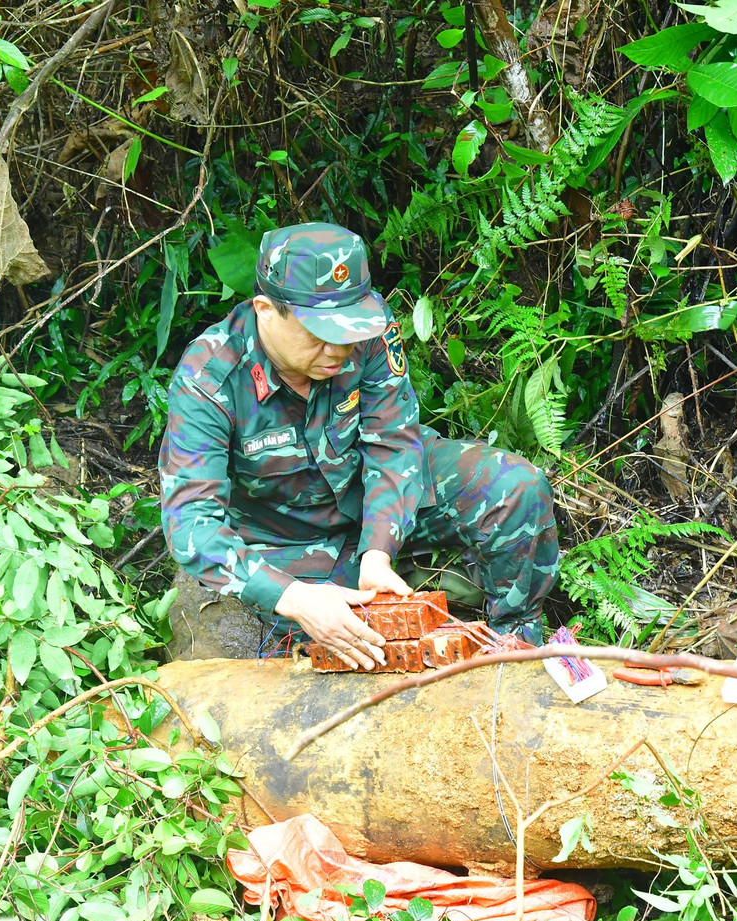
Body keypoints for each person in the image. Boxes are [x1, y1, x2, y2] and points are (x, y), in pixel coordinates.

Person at [159, 222, 559, 669]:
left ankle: (517, 643)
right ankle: (417, 587)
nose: (339, 350)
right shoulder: (209, 378)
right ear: (266, 309)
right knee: (350, 642)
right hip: (289, 538)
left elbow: (393, 442)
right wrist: (293, 598)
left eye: (349, 332)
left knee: (515, 487)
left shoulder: (366, 326)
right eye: (319, 334)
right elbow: (192, 523)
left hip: (377, 496)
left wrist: (379, 549)